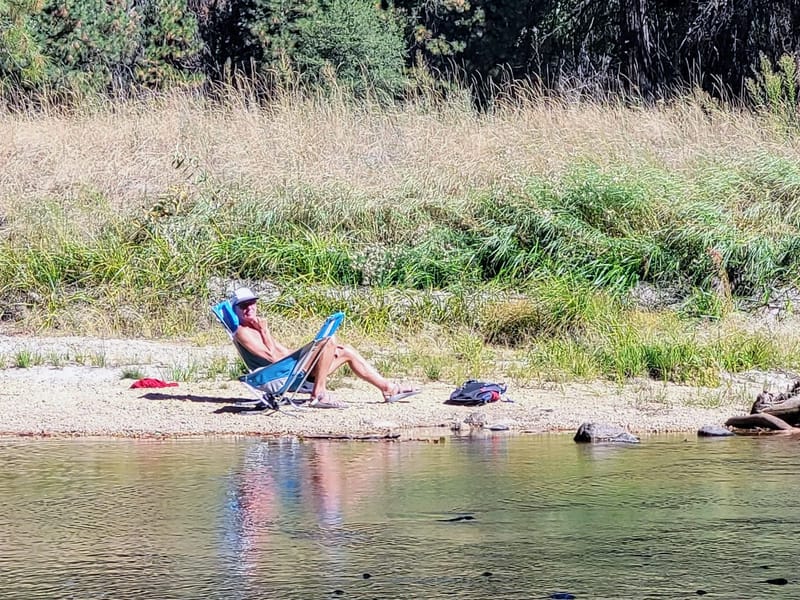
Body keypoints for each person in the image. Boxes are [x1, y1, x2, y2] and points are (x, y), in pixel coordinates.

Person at [229, 287, 420, 408]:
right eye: (243, 305)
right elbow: (272, 358)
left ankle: (388, 389)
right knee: (328, 341)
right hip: (279, 376)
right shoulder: (242, 332)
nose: (249, 308)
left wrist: (310, 354)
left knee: (345, 351)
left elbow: (283, 353)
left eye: (252, 303)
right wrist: (265, 331)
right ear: (235, 309)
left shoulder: (255, 327)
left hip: (290, 371)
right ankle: (319, 394)